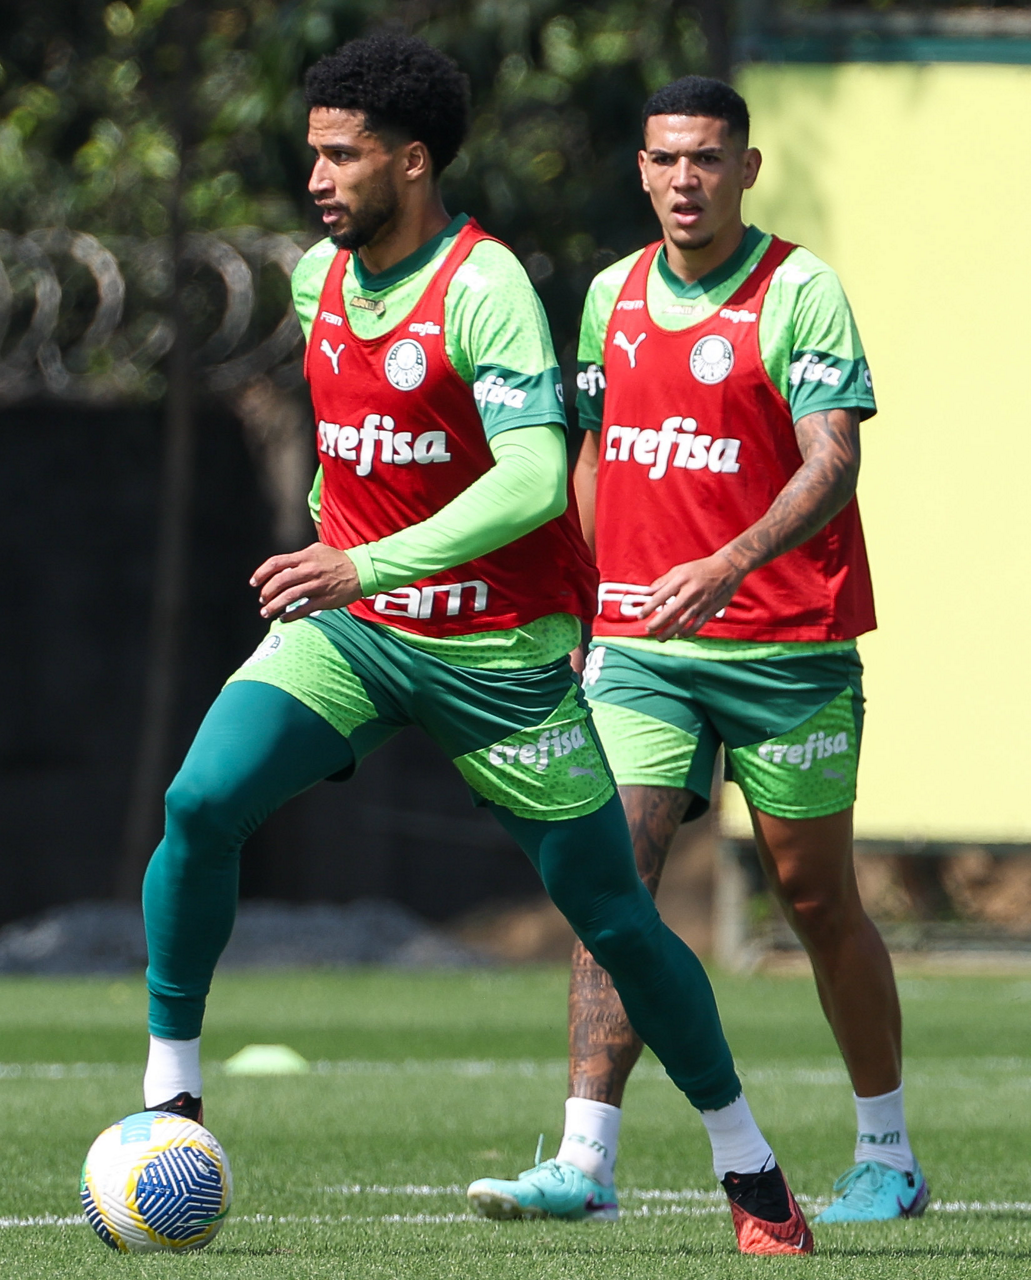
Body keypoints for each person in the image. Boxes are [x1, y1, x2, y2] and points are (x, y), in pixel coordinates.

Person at [137, 37, 812, 1256]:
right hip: (353, 635)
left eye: (342, 156)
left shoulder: (483, 284)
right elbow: (356, 451)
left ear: (411, 160)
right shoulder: (317, 280)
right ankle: (169, 1103)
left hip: (496, 655)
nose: (317, 178)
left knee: (612, 914)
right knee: (200, 801)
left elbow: (534, 478)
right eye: (312, 154)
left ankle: (747, 1162)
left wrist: (364, 561)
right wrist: (339, 556)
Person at [467, 76, 927, 1227]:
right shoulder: (609, 294)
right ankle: (585, 1159)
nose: (687, 179)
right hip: (640, 646)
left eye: (708, 158)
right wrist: (578, 606)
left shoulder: (799, 290)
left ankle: (887, 1153)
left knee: (816, 898)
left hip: (787, 643)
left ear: (745, 169)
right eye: (667, 159)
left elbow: (832, 460)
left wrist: (729, 561)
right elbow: (590, 453)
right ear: (640, 168)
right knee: (608, 878)